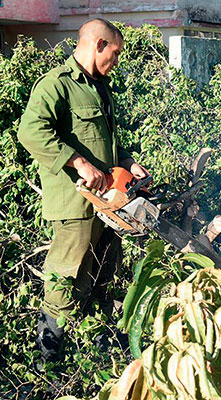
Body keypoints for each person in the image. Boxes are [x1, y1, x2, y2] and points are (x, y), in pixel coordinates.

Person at [17, 18, 150, 364]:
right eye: (115, 53)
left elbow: (107, 143)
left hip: (108, 205)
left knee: (104, 275)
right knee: (65, 283)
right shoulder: (56, 86)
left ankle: (96, 357)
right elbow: (30, 132)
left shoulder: (101, 87)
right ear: (99, 45)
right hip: (74, 206)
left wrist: (127, 162)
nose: (117, 61)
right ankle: (47, 366)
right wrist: (78, 163)